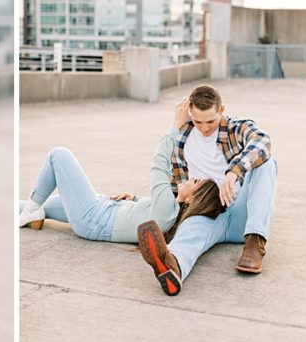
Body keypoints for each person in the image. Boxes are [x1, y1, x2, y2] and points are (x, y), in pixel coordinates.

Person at [18, 98, 222, 248]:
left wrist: (175, 126)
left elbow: (159, 166)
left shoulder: (169, 211)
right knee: (27, 206)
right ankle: (30, 211)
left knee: (59, 155)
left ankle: (33, 209)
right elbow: (147, 213)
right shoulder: (169, 211)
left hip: (93, 217)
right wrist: (133, 199)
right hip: (102, 207)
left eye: (195, 182)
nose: (190, 180)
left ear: (194, 199)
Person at [137, 84, 276, 296]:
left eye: (210, 121)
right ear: (189, 113)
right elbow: (166, 178)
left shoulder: (235, 127)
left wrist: (233, 172)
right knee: (189, 232)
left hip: (241, 214)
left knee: (267, 163)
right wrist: (136, 200)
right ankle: (173, 267)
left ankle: (255, 243)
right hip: (207, 210)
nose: (204, 128)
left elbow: (263, 141)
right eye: (197, 121)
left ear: (221, 110)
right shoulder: (182, 137)